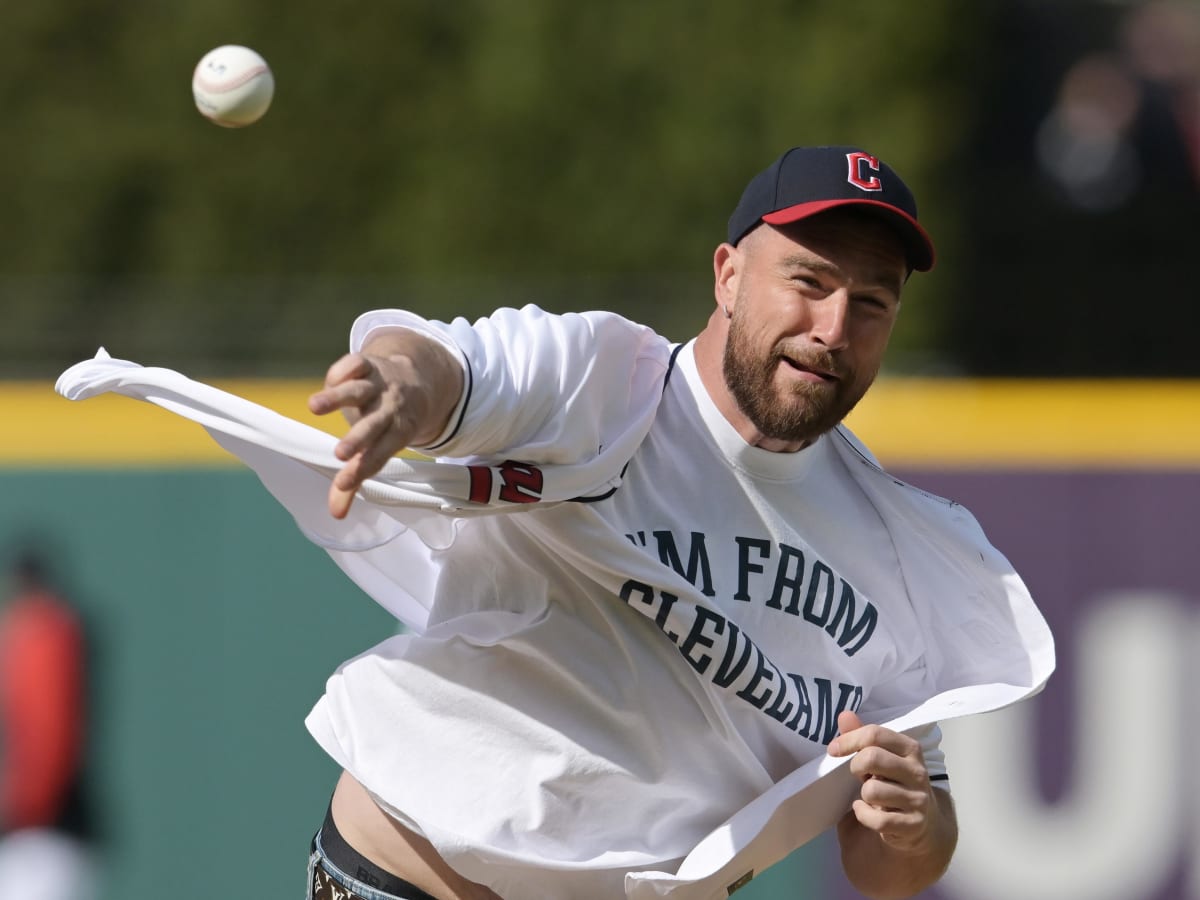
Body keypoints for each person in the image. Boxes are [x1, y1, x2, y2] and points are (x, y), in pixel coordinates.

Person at [53, 144, 1052, 900]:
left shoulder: (903, 549)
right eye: (810, 281)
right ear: (727, 275)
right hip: (412, 876)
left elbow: (891, 860)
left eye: (871, 303)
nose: (834, 328)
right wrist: (406, 387)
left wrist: (917, 827)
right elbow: (459, 366)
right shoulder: (608, 383)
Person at [0, 551, 100, 900]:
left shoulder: (44, 640)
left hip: (41, 841)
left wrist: (20, 803)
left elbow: (46, 745)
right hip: (37, 839)